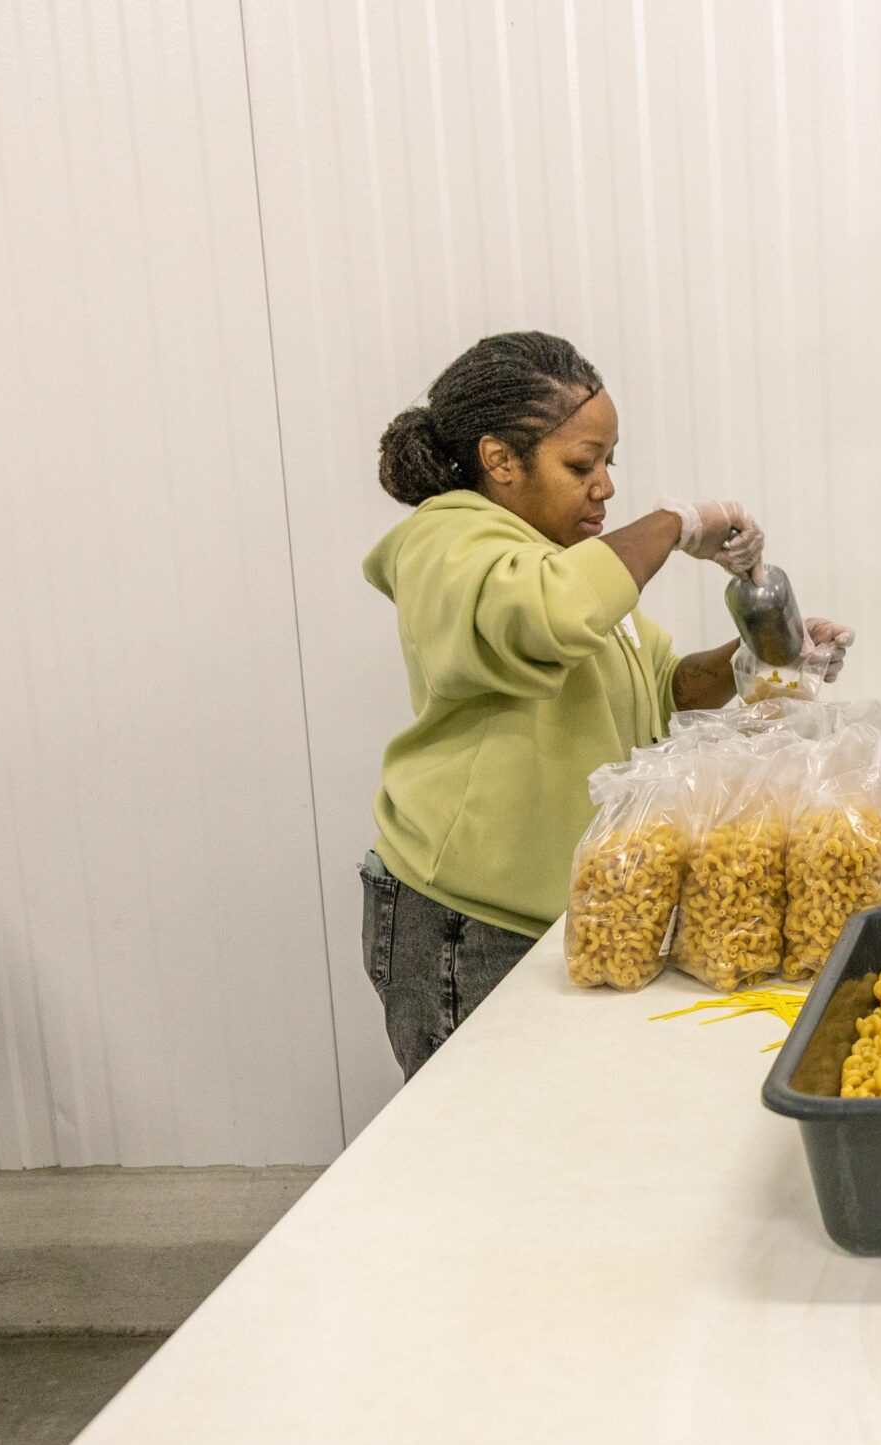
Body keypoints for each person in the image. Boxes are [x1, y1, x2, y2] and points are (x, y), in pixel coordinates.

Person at [361, 331, 851, 1078]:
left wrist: (752, 658)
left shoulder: (565, 562)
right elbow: (551, 615)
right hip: (467, 919)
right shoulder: (447, 541)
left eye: (609, 463)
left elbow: (667, 688)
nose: (605, 487)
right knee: (473, 1141)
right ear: (499, 461)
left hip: (570, 911)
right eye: (580, 465)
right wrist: (672, 526)